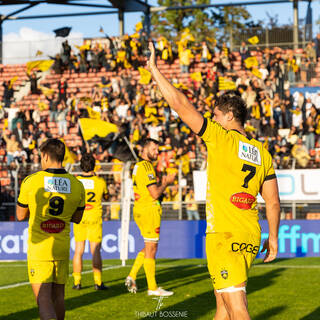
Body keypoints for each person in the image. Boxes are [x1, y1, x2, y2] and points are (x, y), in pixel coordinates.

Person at [147, 42, 280, 319]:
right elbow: (273, 201)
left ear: (230, 116)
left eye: (217, 115)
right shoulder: (263, 153)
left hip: (224, 234)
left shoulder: (220, 138)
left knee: (237, 307)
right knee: (222, 304)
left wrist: (155, 71)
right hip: (250, 233)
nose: (214, 120)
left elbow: (181, 105)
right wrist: (274, 237)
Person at [16, 138, 85, 320]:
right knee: (58, 297)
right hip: (61, 246)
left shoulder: (31, 181)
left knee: (44, 299)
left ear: (45, 156)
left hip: (40, 249)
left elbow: (20, 215)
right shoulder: (77, 184)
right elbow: (77, 218)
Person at [125, 138, 176, 297]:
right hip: (149, 210)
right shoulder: (146, 166)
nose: (156, 152)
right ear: (144, 149)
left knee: (148, 246)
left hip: (141, 208)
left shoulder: (138, 166)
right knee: (152, 248)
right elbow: (154, 193)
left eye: (157, 149)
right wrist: (166, 182)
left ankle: (132, 275)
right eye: (154, 149)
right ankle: (152, 288)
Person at [72, 153, 109, 290]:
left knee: (78, 250)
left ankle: (77, 282)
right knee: (95, 251)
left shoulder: (75, 181)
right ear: (94, 165)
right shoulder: (100, 182)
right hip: (94, 217)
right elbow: (106, 196)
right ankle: (98, 282)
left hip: (79, 217)